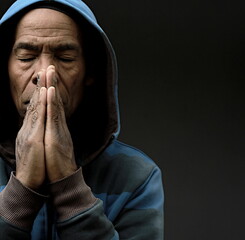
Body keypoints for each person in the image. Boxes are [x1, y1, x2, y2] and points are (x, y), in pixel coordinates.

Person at [0, 0, 164, 239]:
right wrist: (22, 191)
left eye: (65, 58)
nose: (45, 74)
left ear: (90, 72)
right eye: (26, 57)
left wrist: (71, 190)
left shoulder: (135, 177)